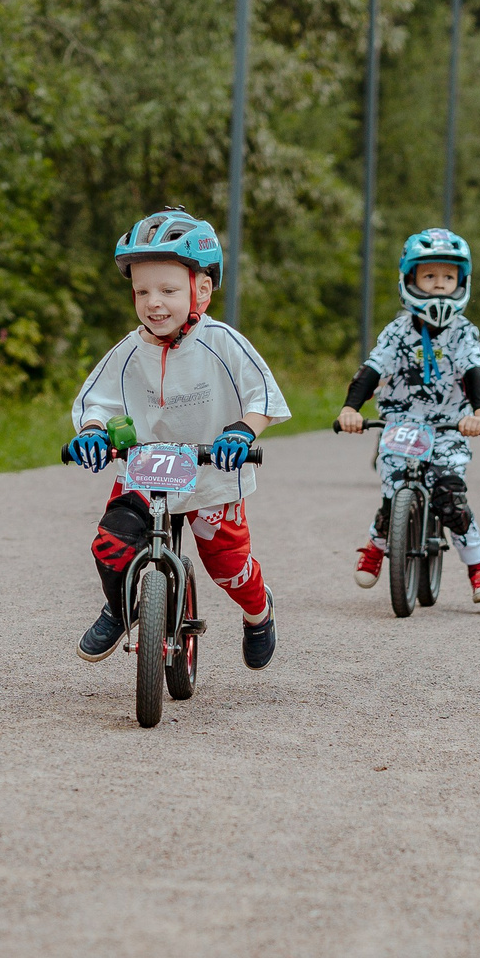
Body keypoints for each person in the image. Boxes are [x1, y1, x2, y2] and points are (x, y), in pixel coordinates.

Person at [66, 207, 289, 669]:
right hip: (145, 473)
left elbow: (262, 395)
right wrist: (90, 434)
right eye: (142, 291)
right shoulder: (128, 350)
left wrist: (243, 431)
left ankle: (259, 613)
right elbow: (97, 402)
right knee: (112, 544)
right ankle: (120, 607)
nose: (154, 302)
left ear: (201, 290)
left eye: (168, 290)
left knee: (229, 567)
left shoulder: (222, 342)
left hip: (211, 474)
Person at [338, 228, 480, 602]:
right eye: (429, 276)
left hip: (450, 425)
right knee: (393, 489)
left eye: (448, 277)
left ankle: (477, 569)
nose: (440, 285)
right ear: (410, 280)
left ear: (462, 282)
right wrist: (350, 408)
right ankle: (377, 548)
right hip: (402, 424)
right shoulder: (397, 331)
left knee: (449, 493)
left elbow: (476, 370)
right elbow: (372, 370)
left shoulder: (463, 332)